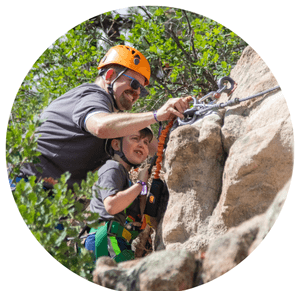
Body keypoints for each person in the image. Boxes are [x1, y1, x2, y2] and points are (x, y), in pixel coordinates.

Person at [18, 45, 192, 190]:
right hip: (24, 187)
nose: (138, 93)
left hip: (48, 200)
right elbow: (100, 126)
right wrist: (156, 115)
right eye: (134, 84)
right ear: (109, 76)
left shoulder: (114, 116)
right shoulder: (93, 96)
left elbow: (156, 147)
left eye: (142, 90)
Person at [84, 127, 153, 263]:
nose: (142, 145)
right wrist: (140, 184)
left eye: (146, 142)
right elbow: (111, 205)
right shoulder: (112, 168)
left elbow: (141, 215)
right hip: (107, 239)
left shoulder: (124, 177)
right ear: (116, 144)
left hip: (114, 239)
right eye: (135, 138)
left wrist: (142, 187)